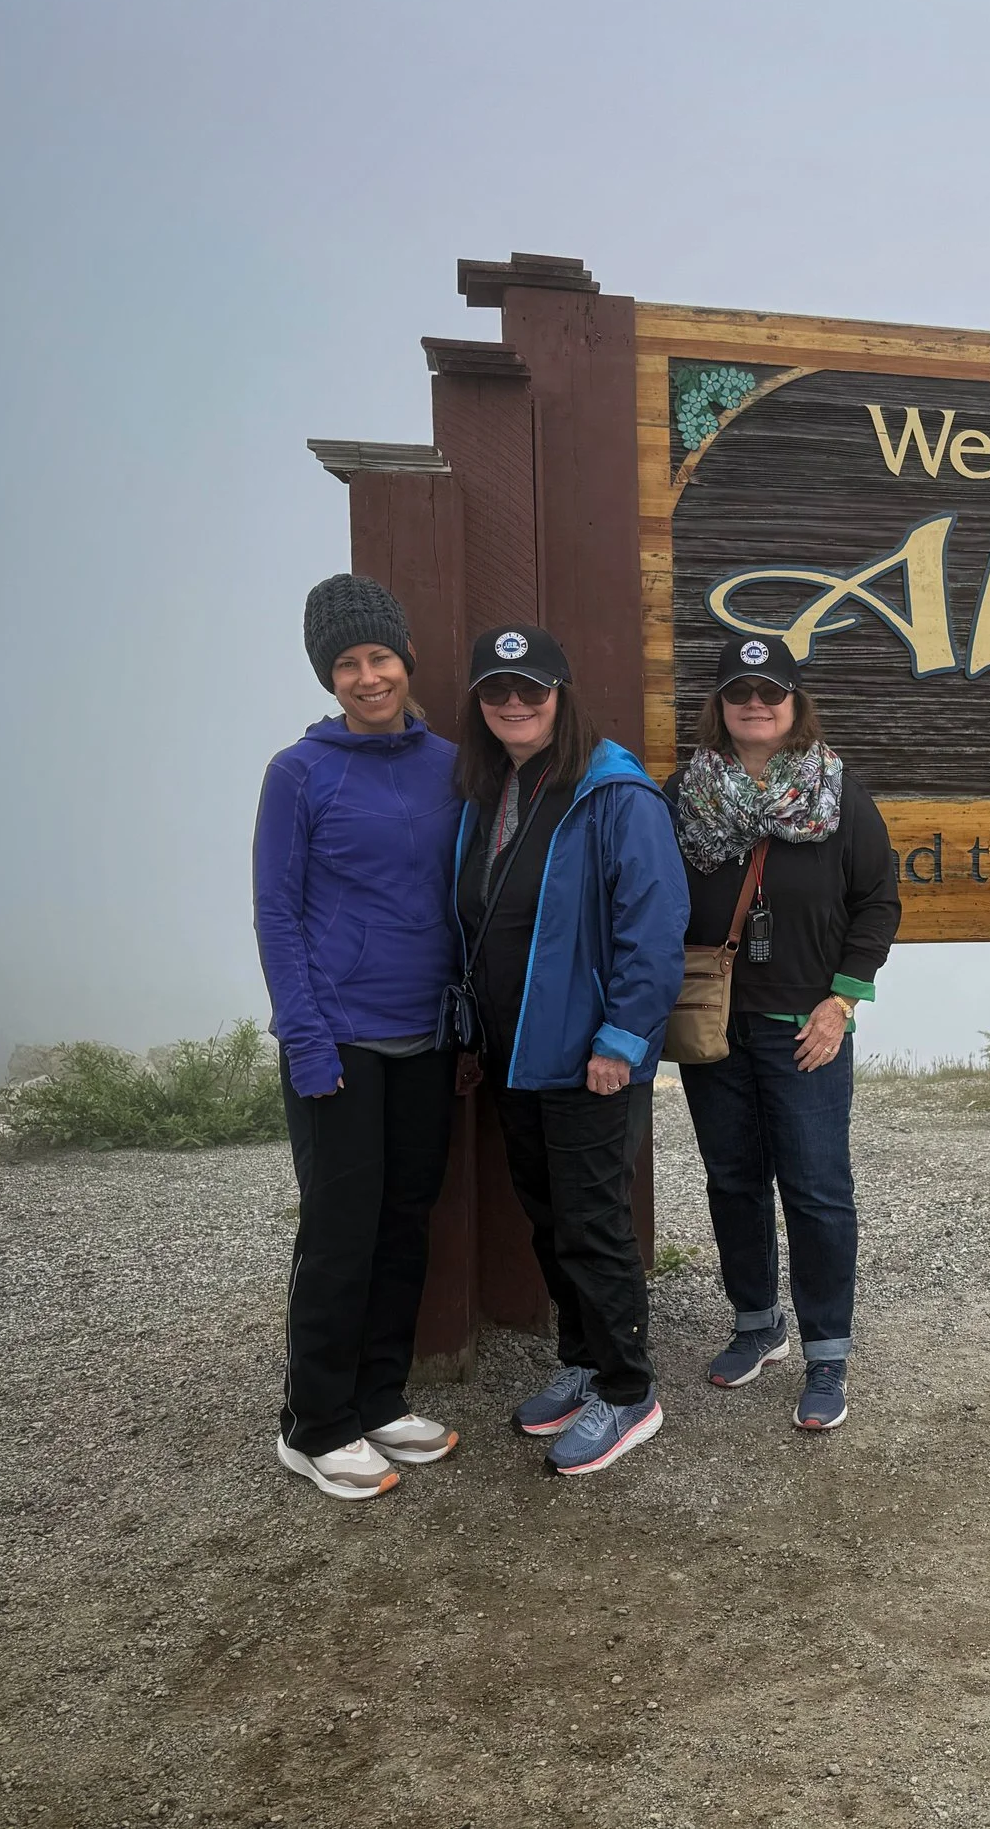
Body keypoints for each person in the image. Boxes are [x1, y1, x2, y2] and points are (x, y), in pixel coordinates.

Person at [455, 624, 689, 1477]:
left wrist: (622, 1037)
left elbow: (654, 927)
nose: (514, 702)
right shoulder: (491, 791)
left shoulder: (615, 793)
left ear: (561, 694)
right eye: (497, 689)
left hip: (592, 1056)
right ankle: (585, 1362)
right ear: (480, 704)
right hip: (516, 1053)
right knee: (551, 1218)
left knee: (593, 1223)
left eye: (532, 688)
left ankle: (630, 1390)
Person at [254, 574, 465, 1501]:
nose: (368, 676)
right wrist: (305, 1040)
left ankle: (378, 1397)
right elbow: (275, 913)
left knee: (404, 1221)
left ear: (406, 658)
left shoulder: (450, 765)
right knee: (340, 1231)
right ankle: (313, 1423)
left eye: (380, 656)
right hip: (336, 1037)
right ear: (327, 677)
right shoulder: (298, 773)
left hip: (426, 1034)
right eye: (346, 663)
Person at [669, 635, 900, 1432]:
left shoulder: (838, 793)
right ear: (720, 705)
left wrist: (842, 1003)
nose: (755, 704)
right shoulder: (683, 795)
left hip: (807, 1025)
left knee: (816, 1188)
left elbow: (878, 901)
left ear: (795, 703)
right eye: (740, 691)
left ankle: (826, 1352)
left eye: (770, 691)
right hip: (712, 1023)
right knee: (733, 1179)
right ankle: (757, 1323)